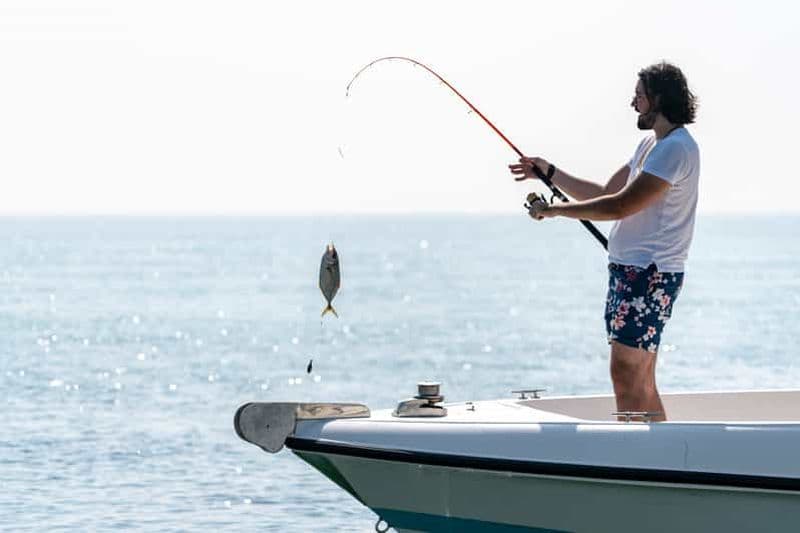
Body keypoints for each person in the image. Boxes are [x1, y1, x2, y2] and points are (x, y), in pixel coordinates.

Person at [509, 61, 699, 422]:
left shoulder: (675, 149)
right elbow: (606, 192)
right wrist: (549, 172)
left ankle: (636, 459)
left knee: (627, 371)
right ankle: (656, 455)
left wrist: (555, 211)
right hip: (631, 273)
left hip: (650, 275)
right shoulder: (651, 145)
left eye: (639, 96)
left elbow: (621, 206)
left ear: (658, 99)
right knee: (637, 375)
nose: (633, 104)